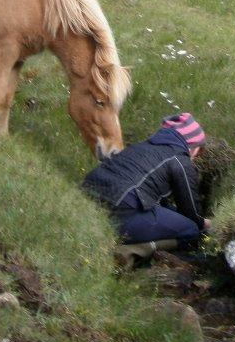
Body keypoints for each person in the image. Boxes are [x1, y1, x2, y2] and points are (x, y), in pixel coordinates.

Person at [82, 112, 210, 264]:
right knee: (190, 229)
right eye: (197, 153)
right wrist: (204, 224)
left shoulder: (142, 147)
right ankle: (130, 251)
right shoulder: (180, 160)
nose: (195, 158)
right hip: (121, 210)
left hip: (87, 198)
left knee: (170, 212)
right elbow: (191, 213)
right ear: (193, 146)